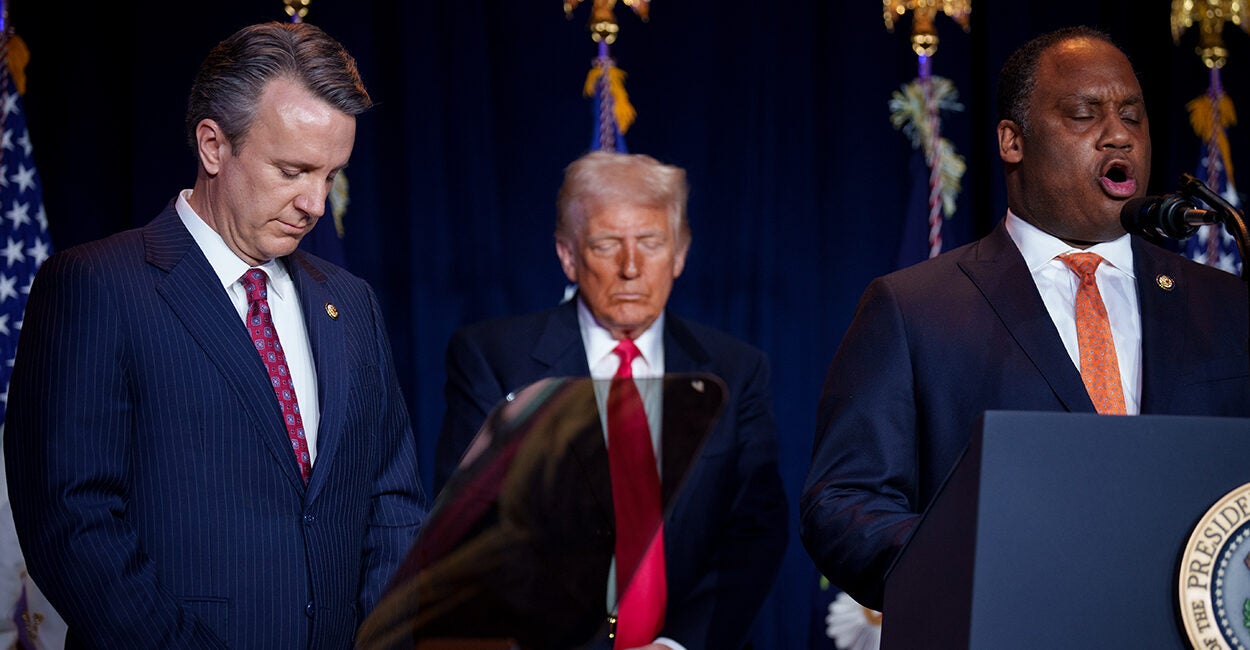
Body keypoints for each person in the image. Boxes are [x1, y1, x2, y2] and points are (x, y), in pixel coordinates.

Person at [800, 25, 1250, 612]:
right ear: (1013, 140)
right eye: (1085, 114)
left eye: (1132, 117)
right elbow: (843, 503)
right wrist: (982, 565)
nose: (1118, 135)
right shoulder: (914, 309)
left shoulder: (1224, 304)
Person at [4, 21, 426, 648]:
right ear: (212, 145)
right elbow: (72, 524)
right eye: (292, 170)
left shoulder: (351, 303)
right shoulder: (96, 285)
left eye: (331, 175)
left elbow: (393, 500)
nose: (314, 202)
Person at [431, 151, 789, 649]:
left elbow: (755, 531)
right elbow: (471, 528)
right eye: (606, 244)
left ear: (680, 253)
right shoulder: (495, 359)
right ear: (568, 255)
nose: (630, 267)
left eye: (650, 242)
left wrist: (676, 645)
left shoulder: (735, 370)